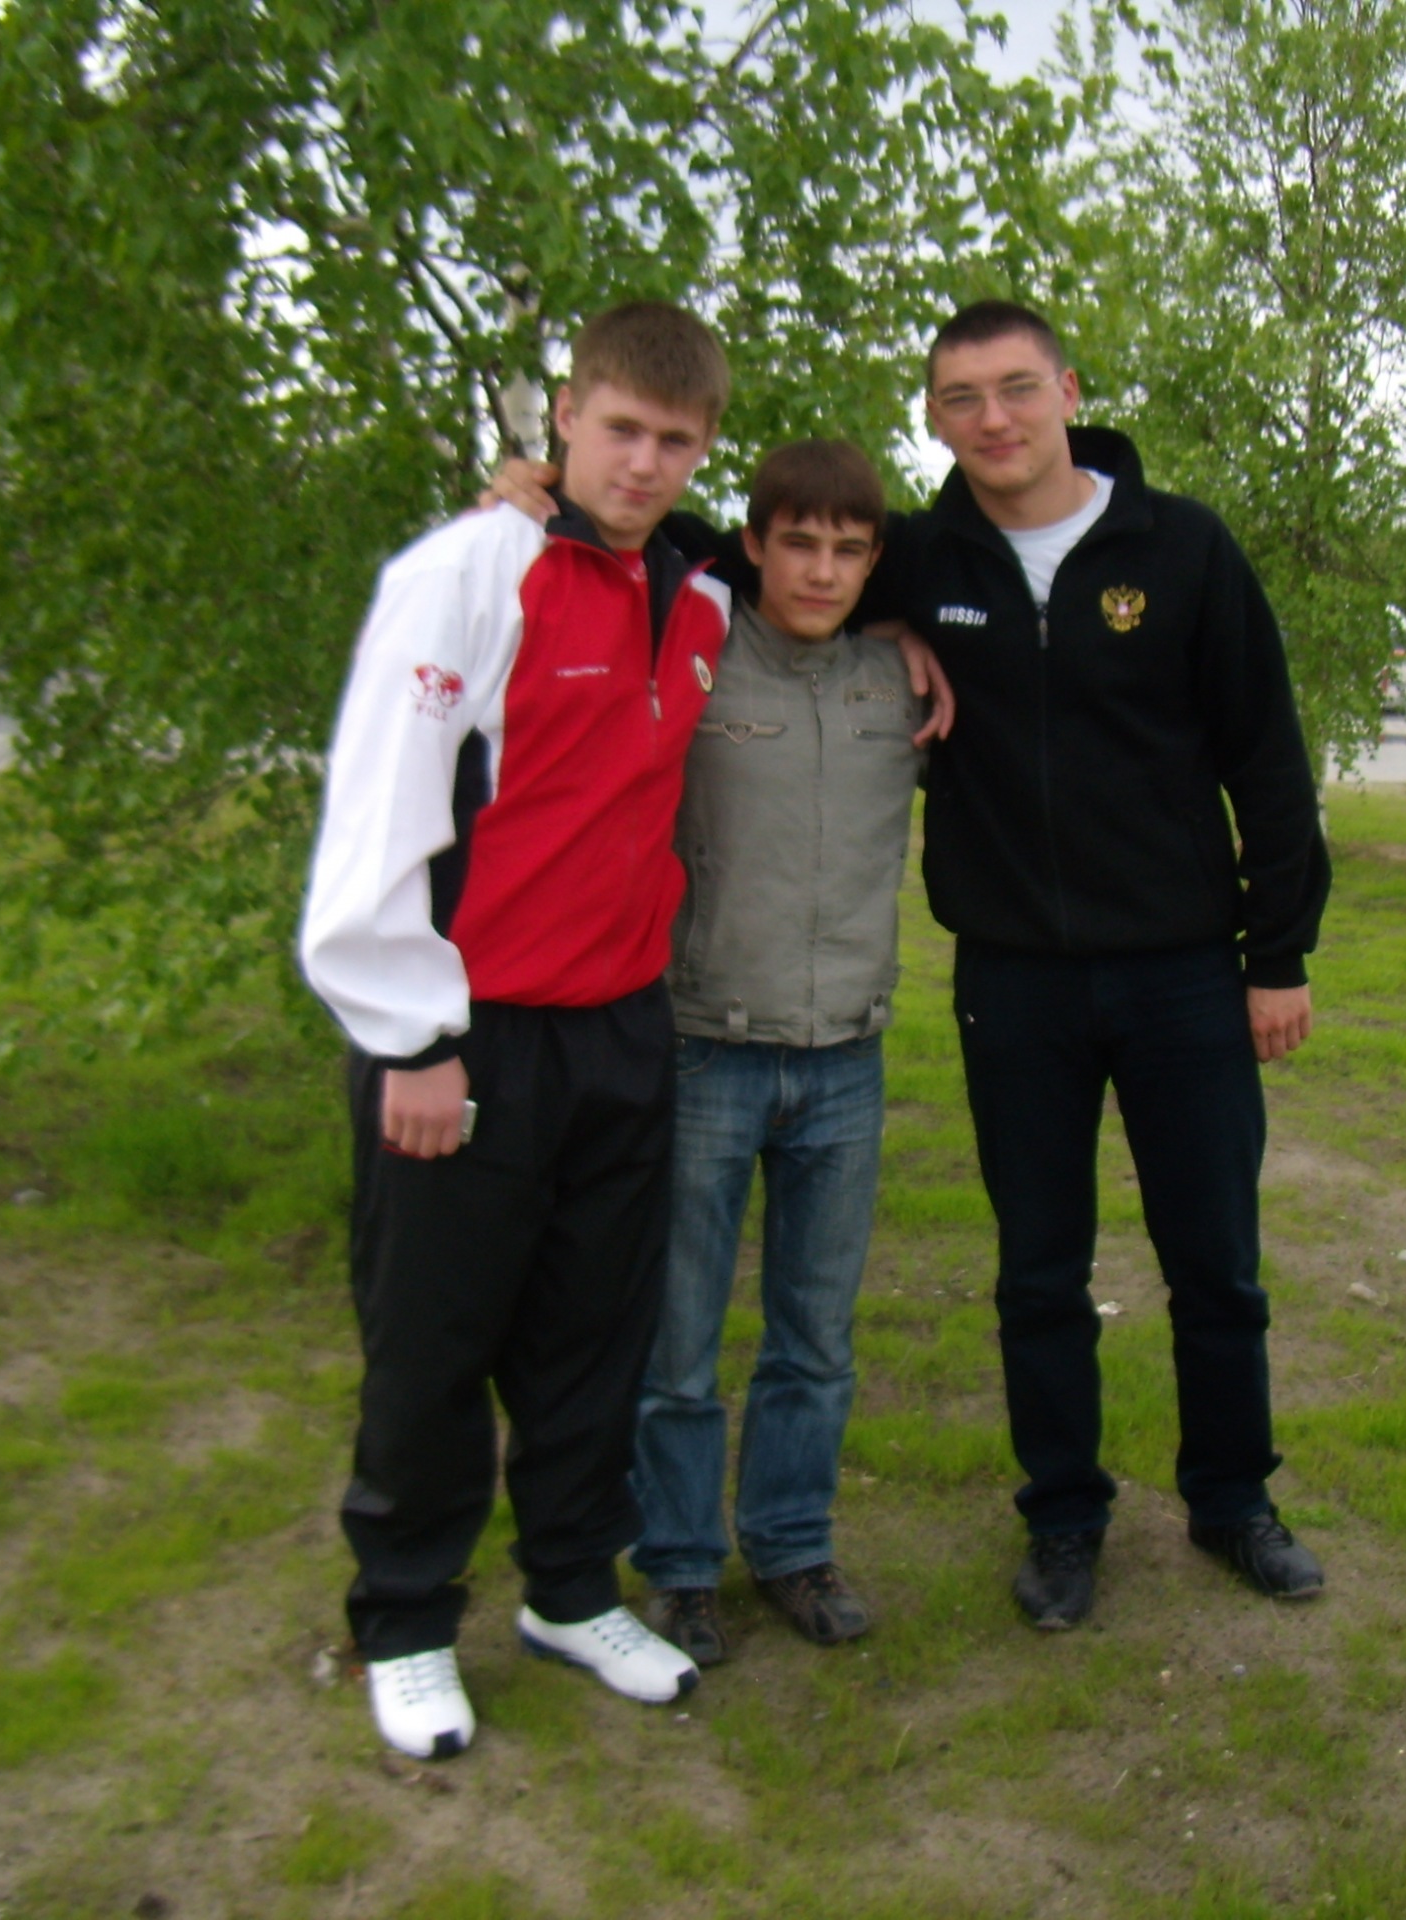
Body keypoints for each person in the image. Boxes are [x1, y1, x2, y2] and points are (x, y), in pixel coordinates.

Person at [298, 302, 733, 1762]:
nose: (644, 462)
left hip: (620, 1029)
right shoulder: (469, 573)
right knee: (432, 1340)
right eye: (621, 430)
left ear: (703, 449)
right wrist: (409, 1038)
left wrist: (916, 635)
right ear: (563, 416)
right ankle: (407, 1621)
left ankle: (568, 1591)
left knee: (590, 1337)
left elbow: (844, 556)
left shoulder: (698, 591)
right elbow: (383, 805)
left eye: (676, 441)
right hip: (466, 1035)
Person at [890, 300, 1331, 1629]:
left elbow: (1267, 759)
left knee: (1216, 1262)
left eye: (1018, 387)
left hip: (1183, 973)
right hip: (1013, 981)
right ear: (933, 418)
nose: (995, 419)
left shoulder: (1181, 548)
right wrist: (537, 493)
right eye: (961, 398)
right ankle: (1064, 1518)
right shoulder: (917, 558)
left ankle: (1232, 1501)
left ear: (1070, 390)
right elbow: (758, 552)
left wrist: (1277, 954)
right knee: (1040, 1271)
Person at [631, 440, 924, 1669]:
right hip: (707, 1048)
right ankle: (679, 1564)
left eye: (849, 550)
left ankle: (792, 1544)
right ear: (752, 545)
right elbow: (632, 532)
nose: (821, 570)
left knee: (815, 1339)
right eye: (796, 543)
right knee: (677, 1343)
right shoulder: (691, 652)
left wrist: (916, 630)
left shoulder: (896, 677)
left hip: (845, 1058)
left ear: (875, 561)